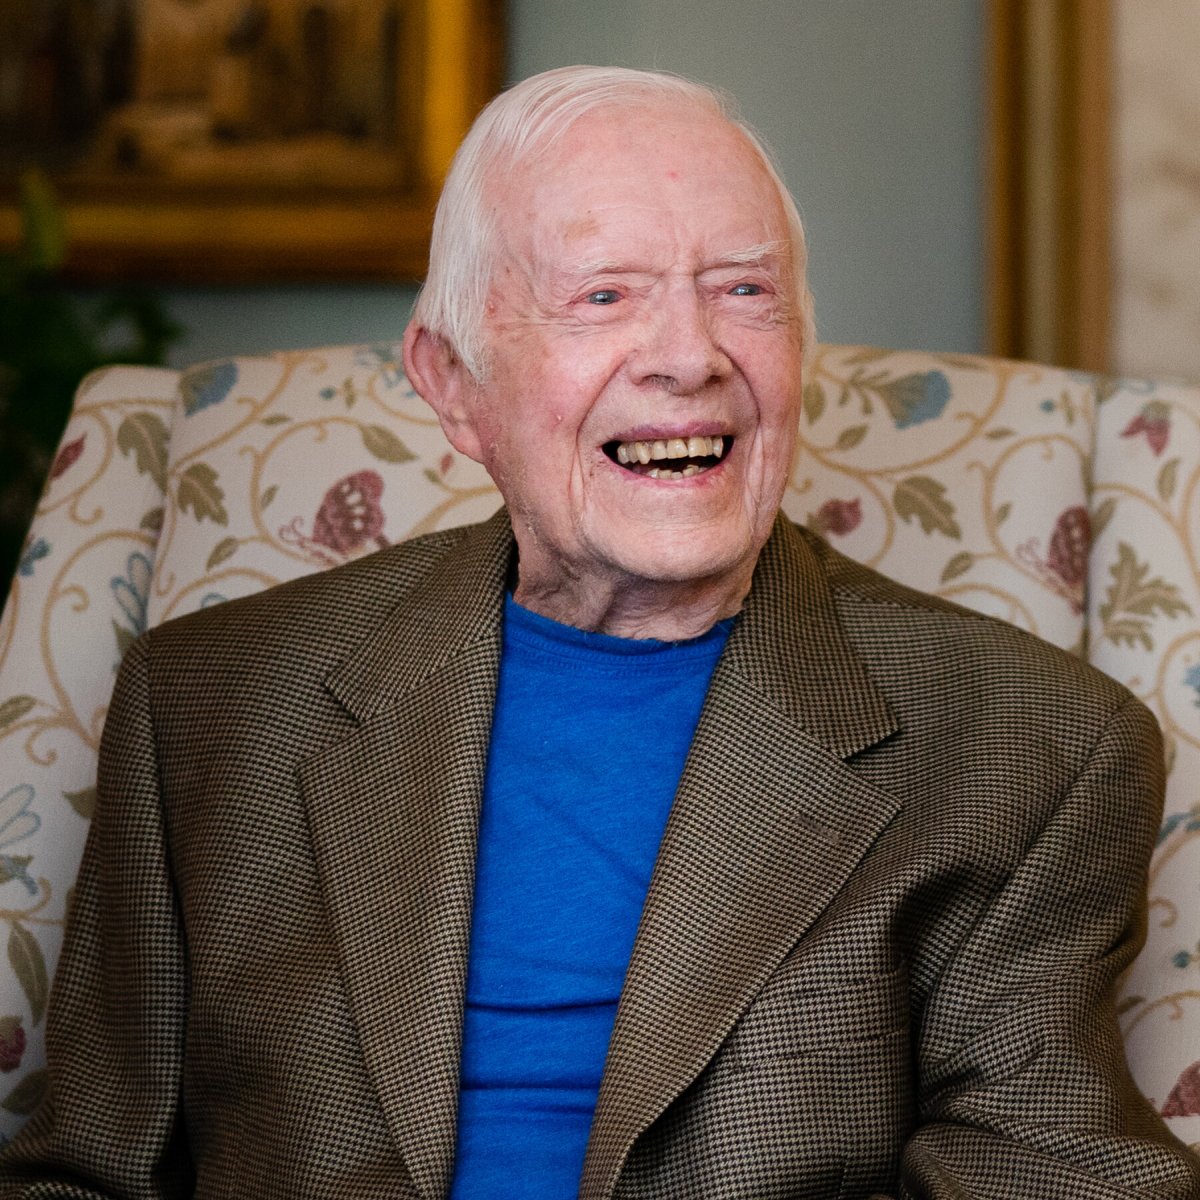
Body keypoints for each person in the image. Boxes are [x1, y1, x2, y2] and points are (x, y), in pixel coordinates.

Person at [0, 65, 1197, 1200]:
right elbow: (87, 1172)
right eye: (605, 296)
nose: (690, 359)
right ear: (454, 381)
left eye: (744, 290)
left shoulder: (1035, 742)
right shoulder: (209, 702)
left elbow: (1051, 1175)